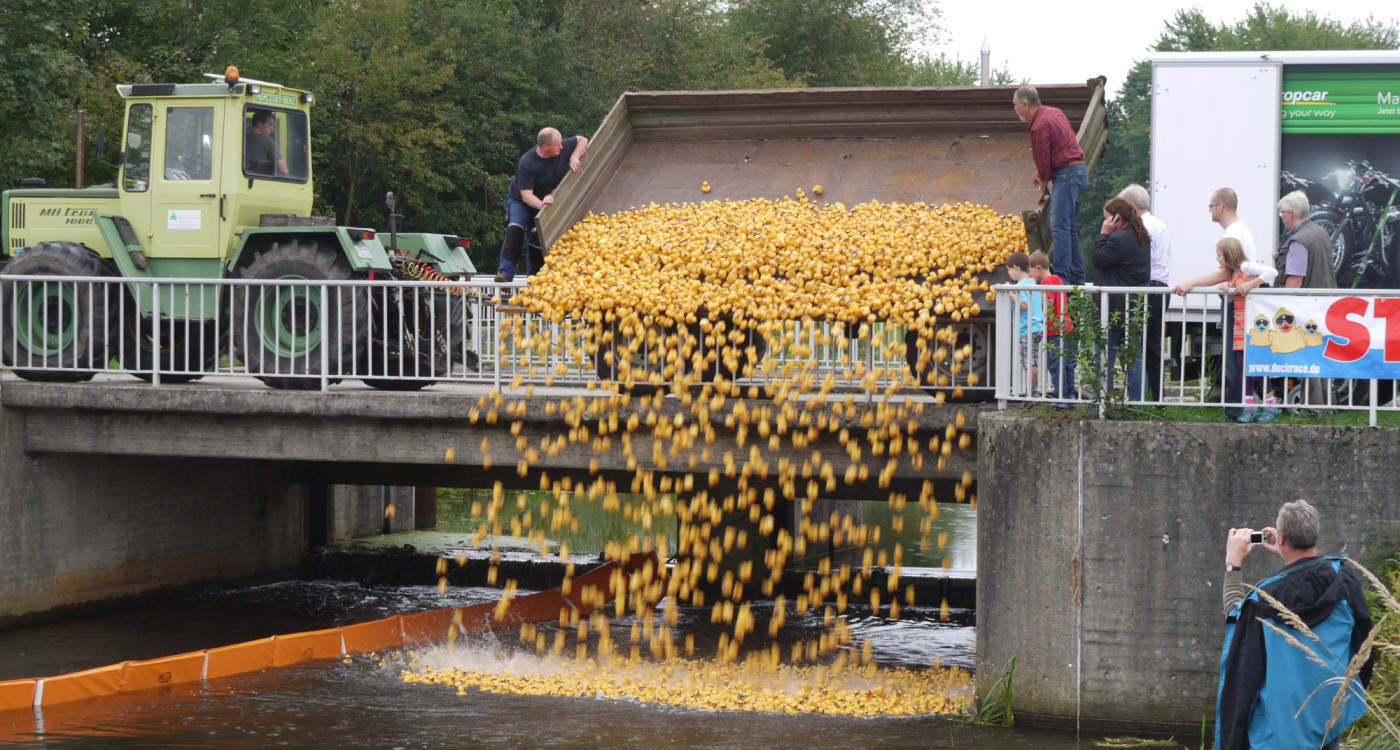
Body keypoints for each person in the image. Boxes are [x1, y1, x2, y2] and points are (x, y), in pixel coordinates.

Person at [1217, 500, 1374, 750]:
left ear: (1281, 538)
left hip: (1277, 734)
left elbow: (1237, 619)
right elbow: (1364, 643)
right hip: (1327, 720)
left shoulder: (1264, 599)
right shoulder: (1344, 578)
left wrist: (1232, 563)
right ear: (1314, 535)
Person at [1173, 238, 1276, 421]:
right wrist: (1227, 291)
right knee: (1243, 367)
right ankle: (1249, 406)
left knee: (1256, 366)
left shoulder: (1246, 268)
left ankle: (1271, 404)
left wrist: (1251, 284)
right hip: (1239, 327)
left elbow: (1271, 271)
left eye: (1219, 256)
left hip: (1252, 327)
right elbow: (1232, 301)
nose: (1217, 259)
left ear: (1229, 255)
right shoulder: (1232, 275)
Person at [495, 127, 590, 283]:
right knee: (516, 228)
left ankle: (534, 281)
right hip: (521, 201)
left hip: (543, 201)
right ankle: (505, 273)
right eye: (557, 145)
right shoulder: (528, 162)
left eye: (561, 144)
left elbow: (582, 139)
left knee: (538, 241)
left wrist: (574, 156)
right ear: (545, 147)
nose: (562, 147)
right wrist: (542, 206)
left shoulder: (562, 149)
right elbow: (526, 196)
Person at [1014, 86, 1088, 285]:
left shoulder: (1038, 126)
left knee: (1059, 227)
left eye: (1016, 106)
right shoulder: (1053, 112)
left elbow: (1043, 161)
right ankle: (1078, 278)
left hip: (1067, 176)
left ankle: (1061, 279)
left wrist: (1043, 186)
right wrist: (1042, 174)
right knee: (1069, 227)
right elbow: (1057, 149)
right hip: (1079, 171)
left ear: (1025, 104)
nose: (1016, 111)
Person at [1278, 190, 1337, 406]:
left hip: (1305, 309)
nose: (1281, 216)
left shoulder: (1298, 241)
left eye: (1282, 213)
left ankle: (1312, 406)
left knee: (1307, 359)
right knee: (1319, 357)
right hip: (1323, 305)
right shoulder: (1320, 232)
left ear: (1290, 214)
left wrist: (1281, 310)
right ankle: (1322, 405)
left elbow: (1295, 280)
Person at [1092, 197, 1151, 401]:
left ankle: (1100, 404)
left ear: (1117, 218)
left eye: (1108, 219)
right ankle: (1138, 404)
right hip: (1133, 308)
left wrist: (1103, 235)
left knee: (1104, 359)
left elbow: (1099, 259)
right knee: (1134, 358)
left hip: (1113, 310)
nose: (1106, 222)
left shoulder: (1117, 239)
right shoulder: (1141, 236)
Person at [1118, 185, 1169, 400]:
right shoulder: (1160, 224)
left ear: (1131, 206)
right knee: (1154, 346)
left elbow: (1138, 261)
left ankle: (1139, 395)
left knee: (1134, 345)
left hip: (1145, 289)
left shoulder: (1142, 228)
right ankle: (1157, 397)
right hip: (1162, 287)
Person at [1030, 251, 1075, 405]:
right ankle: (1070, 395)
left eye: (1030, 272)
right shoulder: (1058, 280)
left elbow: (1049, 302)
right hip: (1067, 327)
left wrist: (1036, 295)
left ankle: (1059, 397)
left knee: (1056, 365)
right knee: (1068, 363)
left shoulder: (1047, 282)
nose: (1030, 276)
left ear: (1038, 269)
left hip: (1055, 329)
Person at [1006, 251, 1043, 395]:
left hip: (1027, 329)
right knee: (1032, 360)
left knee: (1029, 363)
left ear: (1015, 267)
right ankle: (1033, 390)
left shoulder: (1022, 286)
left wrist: (1010, 293)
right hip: (1037, 326)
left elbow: (1023, 305)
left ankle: (1031, 393)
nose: (1010, 274)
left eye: (1009, 270)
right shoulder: (1032, 283)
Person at [1210, 187, 1257, 262]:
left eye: (1211, 206)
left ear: (1220, 207)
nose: (1209, 210)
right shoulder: (1238, 230)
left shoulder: (1232, 234)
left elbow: (1227, 272)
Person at [245, 110, 287, 176]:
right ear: (260, 124)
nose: (273, 129)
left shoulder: (243, 138)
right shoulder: (268, 141)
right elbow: (284, 170)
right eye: (270, 125)